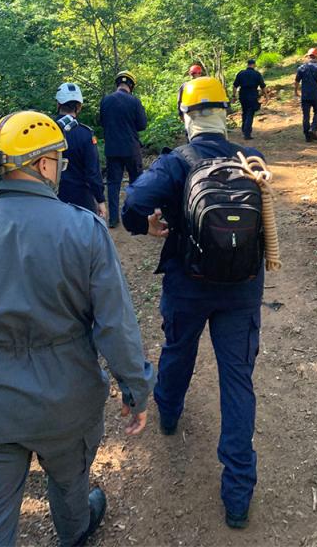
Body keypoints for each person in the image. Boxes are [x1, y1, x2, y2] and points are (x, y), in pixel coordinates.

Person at [0, 110, 152, 547]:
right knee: (70, 483)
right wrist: (136, 389)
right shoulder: (84, 229)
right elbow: (114, 324)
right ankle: (74, 532)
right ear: (42, 164)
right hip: (66, 395)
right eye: (57, 158)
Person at [121, 76, 264, 530]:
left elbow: (131, 209)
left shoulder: (174, 163)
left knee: (179, 350)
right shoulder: (252, 159)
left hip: (188, 282)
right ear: (224, 112)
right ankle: (238, 494)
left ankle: (169, 413)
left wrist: (152, 229)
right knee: (237, 380)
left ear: (187, 117)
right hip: (241, 288)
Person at [99, 70, 148, 228]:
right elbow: (142, 125)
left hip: (112, 148)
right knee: (136, 182)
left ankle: (113, 219)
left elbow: (101, 122)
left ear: (117, 84)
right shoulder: (134, 101)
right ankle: (135, 216)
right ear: (131, 85)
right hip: (131, 148)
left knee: (113, 183)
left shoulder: (105, 100)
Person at [54, 83, 106, 218]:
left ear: (58, 104)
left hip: (51, 199)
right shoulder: (85, 134)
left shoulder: (45, 130)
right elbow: (92, 172)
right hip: (81, 201)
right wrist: (100, 199)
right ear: (79, 107)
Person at [294, 47, 317, 142]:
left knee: (306, 115)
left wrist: (296, 91)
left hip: (305, 95)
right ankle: (313, 129)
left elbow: (296, 81)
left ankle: (307, 136)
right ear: (316, 56)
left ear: (308, 56)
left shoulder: (301, 67)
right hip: (316, 95)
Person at [231, 59, 267, 140]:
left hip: (243, 94)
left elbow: (235, 86)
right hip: (252, 94)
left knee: (244, 112)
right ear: (254, 64)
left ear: (247, 64)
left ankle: (244, 130)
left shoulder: (241, 73)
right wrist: (266, 95)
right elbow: (263, 86)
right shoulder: (257, 74)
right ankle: (247, 133)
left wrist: (233, 96)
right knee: (250, 113)